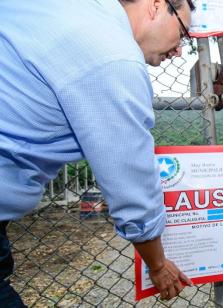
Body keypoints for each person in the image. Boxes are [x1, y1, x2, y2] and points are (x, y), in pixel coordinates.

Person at [0, 0, 196, 305]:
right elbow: (130, 180)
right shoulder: (114, 55)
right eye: (182, 33)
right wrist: (157, 264)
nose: (179, 50)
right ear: (157, 5)